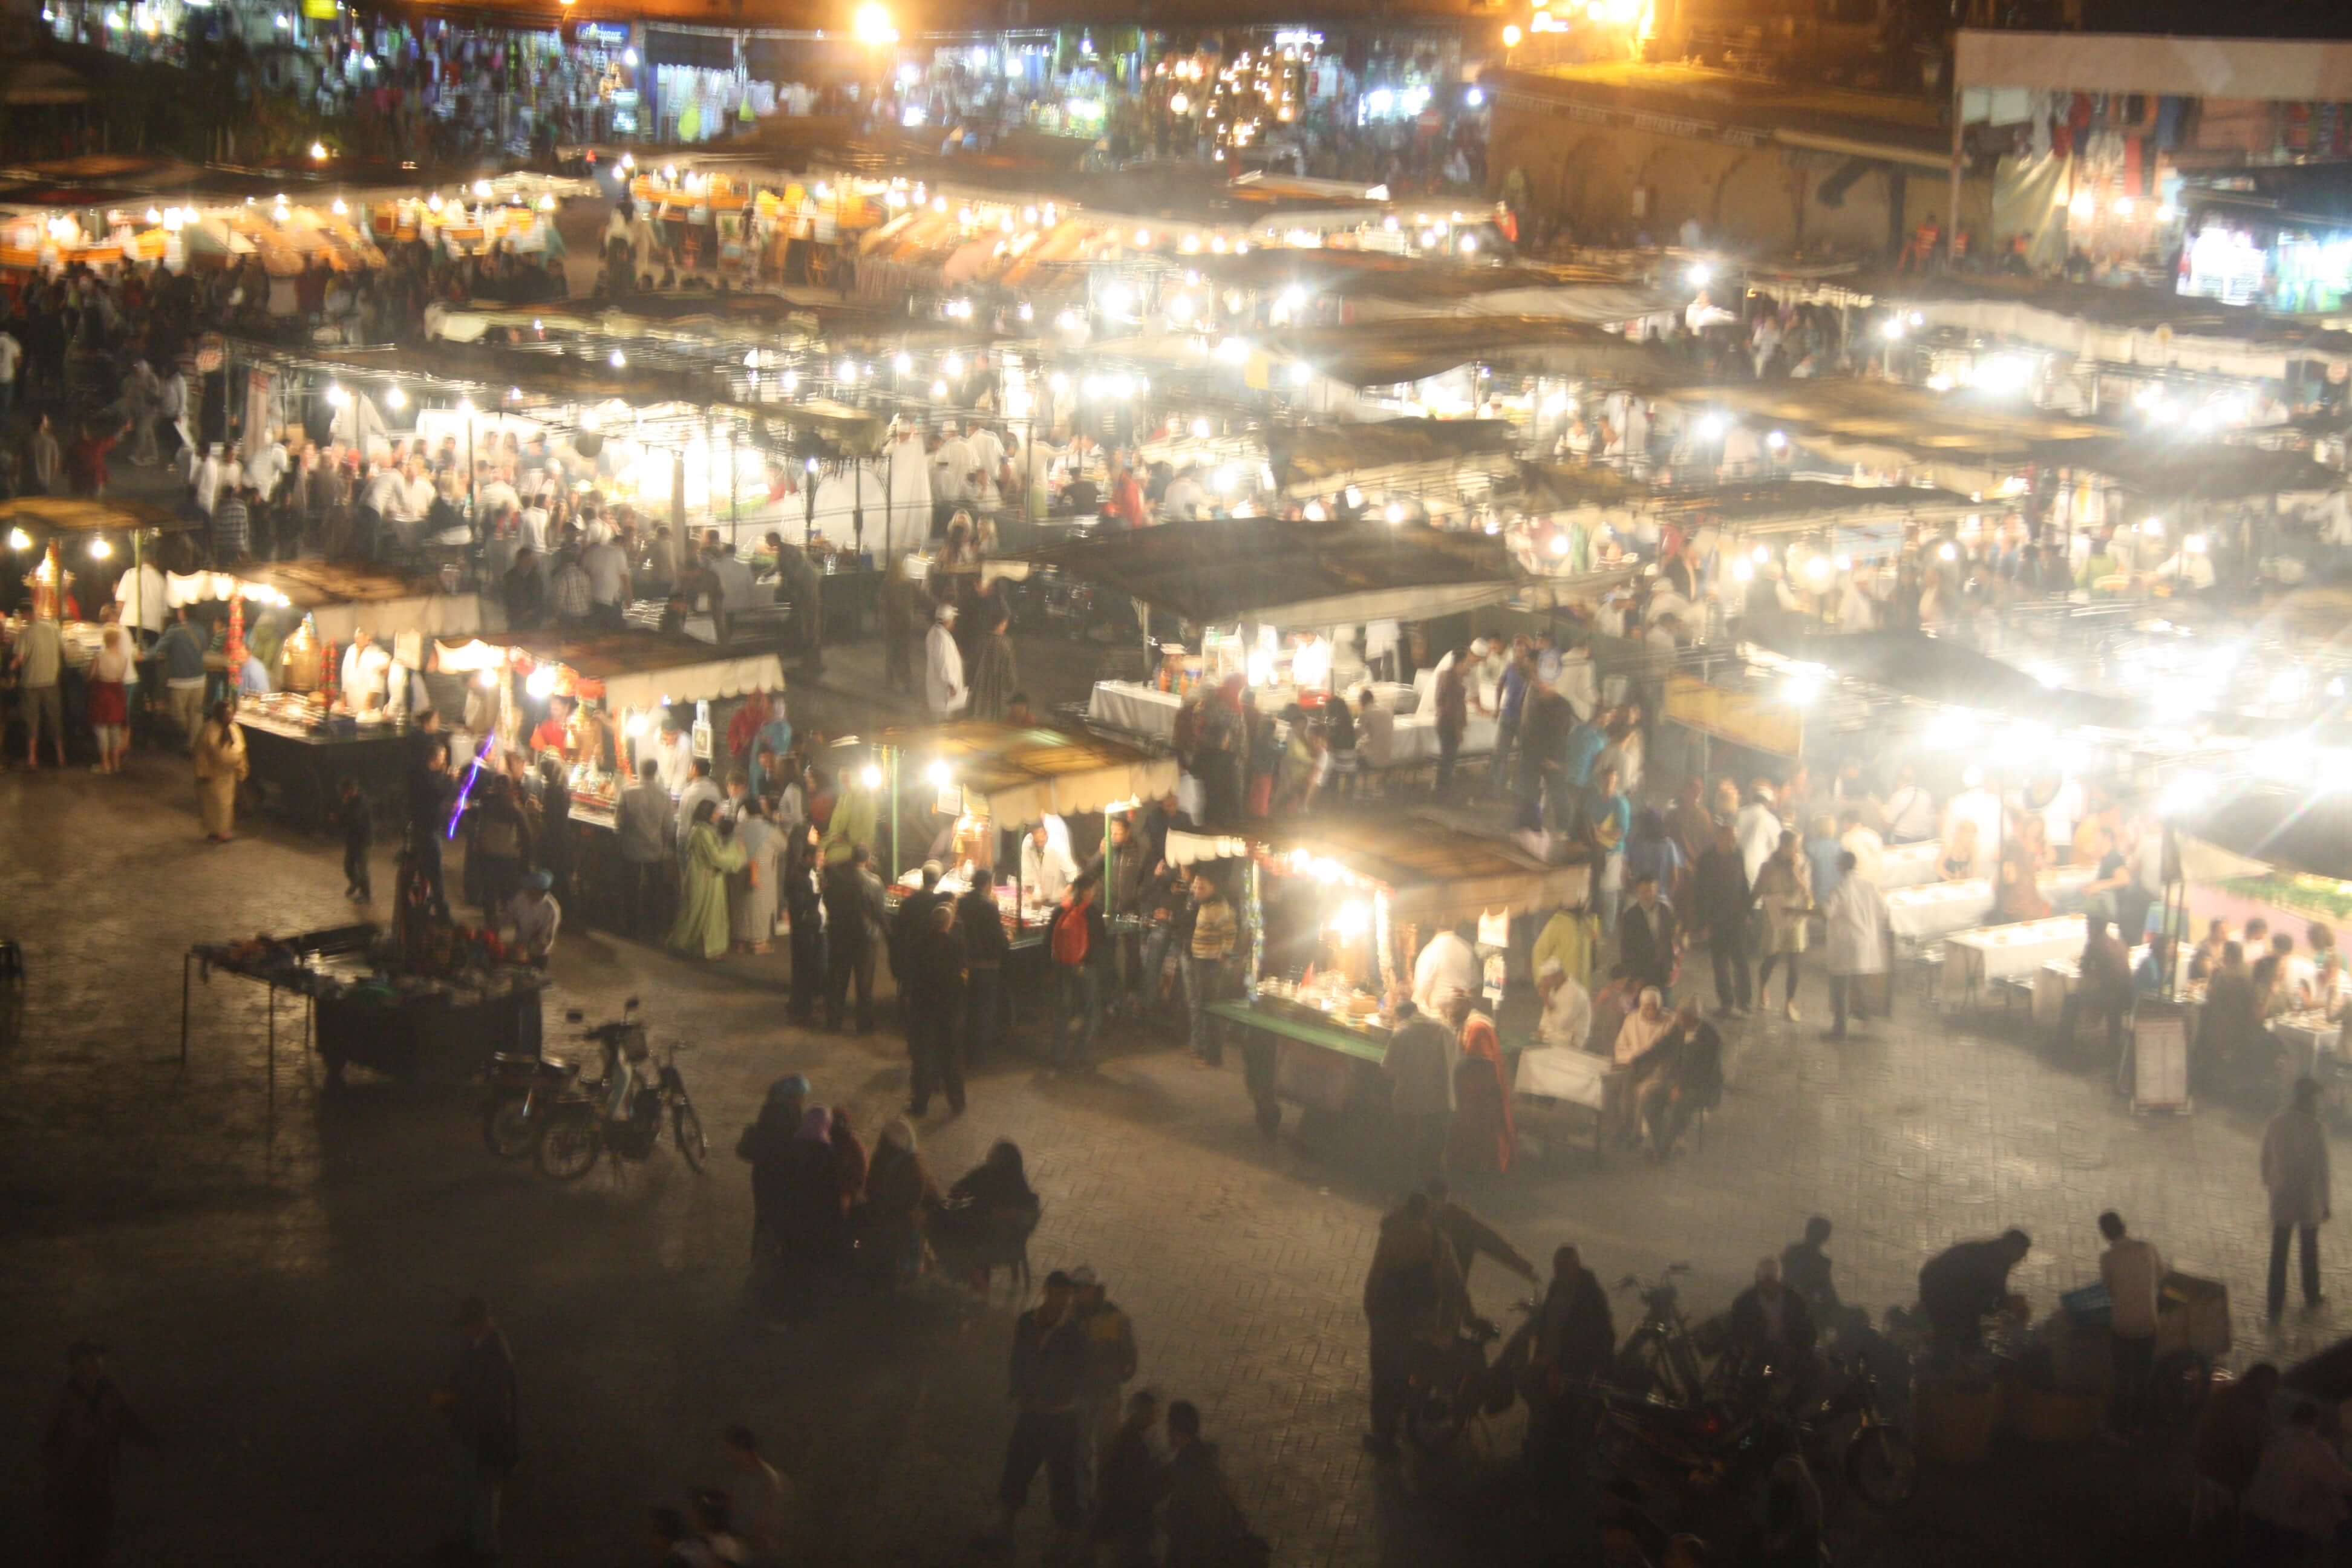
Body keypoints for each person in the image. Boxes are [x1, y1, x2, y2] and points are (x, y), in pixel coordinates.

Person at [978, 1270, 1091, 1560]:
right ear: (1046, 1292)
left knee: (1063, 1478)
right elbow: (1017, 1360)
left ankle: (1063, 1541)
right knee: (1017, 1468)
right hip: (1032, 1414)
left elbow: (1078, 1375)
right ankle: (1005, 1530)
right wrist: (1019, 1391)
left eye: (1065, 1296)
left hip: (1061, 1417)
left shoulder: (1074, 1333)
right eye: (1056, 1294)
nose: (1060, 1301)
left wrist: (1053, 1397)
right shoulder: (1027, 1322)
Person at [1361, 1190, 1472, 1459]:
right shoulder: (1438, 1241)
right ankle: (1402, 1427)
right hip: (1419, 1319)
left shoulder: (1391, 1236)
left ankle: (1383, 1435)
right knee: (1404, 1375)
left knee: (1382, 1375)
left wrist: (1371, 1309)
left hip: (1387, 1316)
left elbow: (1375, 1277)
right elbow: (1455, 1285)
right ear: (1427, 1212)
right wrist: (1464, 1317)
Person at [44, 1339, 159, 1568]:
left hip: (103, 1475)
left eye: (98, 1358)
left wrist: (153, 1442)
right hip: (74, 1479)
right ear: (76, 1364)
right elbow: (52, 1438)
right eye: (89, 1359)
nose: (96, 1363)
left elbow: (128, 1421)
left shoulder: (110, 1395)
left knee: (100, 1532)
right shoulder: (66, 1399)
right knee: (75, 1533)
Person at [434, 1297, 518, 1563]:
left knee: (482, 1494)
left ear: (482, 1322)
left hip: (484, 1437)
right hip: (470, 1432)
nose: (464, 1330)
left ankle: (483, 1548)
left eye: (467, 1324)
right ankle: (470, 1540)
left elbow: (491, 1404)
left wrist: (452, 1401)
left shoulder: (495, 1355)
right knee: (469, 1489)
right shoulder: (479, 1345)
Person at [1526, 1245, 1614, 1483]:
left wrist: (1593, 1369)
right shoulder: (1557, 1287)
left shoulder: (1590, 1295)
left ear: (1576, 1267)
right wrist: (1541, 1355)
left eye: (1564, 1268)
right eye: (1557, 1268)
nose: (1559, 1273)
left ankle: (1557, 1474)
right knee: (1541, 1408)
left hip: (1573, 1370)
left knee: (1562, 1421)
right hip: (1550, 1365)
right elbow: (1546, 1324)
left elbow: (1603, 1334)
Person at [2241, 1400, 2352, 1561]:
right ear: (2316, 1421)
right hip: (2286, 1527)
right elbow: (2341, 1481)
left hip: (2255, 1515)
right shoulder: (2313, 1447)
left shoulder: (2274, 1438)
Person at [2262, 1076, 2331, 1323]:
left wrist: (2270, 1183)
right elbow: (2323, 1170)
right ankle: (2312, 1295)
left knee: (2279, 1250)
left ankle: (2275, 1302)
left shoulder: (2276, 1122)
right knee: (2309, 1248)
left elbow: (2265, 1157)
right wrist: (2326, 1203)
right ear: (2309, 1099)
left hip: (2282, 1195)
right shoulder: (2316, 1127)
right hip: (2308, 1197)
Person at [1161, 1400, 1256, 1568]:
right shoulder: (1208, 1454)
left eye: (1169, 1426)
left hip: (1194, 1550)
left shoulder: (1184, 1466)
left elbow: (1184, 1511)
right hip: (1213, 1545)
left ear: (1176, 1432)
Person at [2095, 1210, 2164, 1437]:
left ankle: (2120, 1427)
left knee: (2122, 1378)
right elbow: (2160, 1275)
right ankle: (2139, 1425)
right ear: (2124, 1226)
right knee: (2143, 1376)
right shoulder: (2148, 1248)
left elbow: (2110, 1290)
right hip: (2149, 1323)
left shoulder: (2108, 1258)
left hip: (2123, 1326)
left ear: (2105, 1234)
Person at [1071, 1266, 1140, 1477]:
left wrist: (1118, 1375)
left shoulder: (1114, 1317)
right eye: (1075, 1289)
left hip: (1106, 1392)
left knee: (1107, 1444)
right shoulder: (1071, 1316)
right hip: (1082, 1391)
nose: (1077, 1294)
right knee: (1080, 1443)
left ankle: (1104, 1486)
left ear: (1093, 1289)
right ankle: (1084, 1486)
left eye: (1082, 1289)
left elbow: (1130, 1356)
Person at [1917, 1229, 2032, 1356]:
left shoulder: (1996, 1256)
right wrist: (2005, 1305)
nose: (2022, 1258)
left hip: (1946, 1292)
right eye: (2022, 1253)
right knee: (1953, 1335)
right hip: (1943, 1293)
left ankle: (1953, 1358)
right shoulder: (1991, 1259)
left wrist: (2003, 1304)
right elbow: (1986, 1293)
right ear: (2012, 1247)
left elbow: (1994, 1292)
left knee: (1960, 1335)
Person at [1088, 1390, 1166, 1568]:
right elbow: (1136, 1483)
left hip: (1122, 1506)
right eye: (1152, 1413)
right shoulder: (1132, 1443)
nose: (1156, 1418)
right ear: (1142, 1414)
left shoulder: (1132, 1435)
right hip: (1127, 1509)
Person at [904, 901, 969, 1116]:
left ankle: (920, 1103)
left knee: (923, 1058)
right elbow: (962, 977)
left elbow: (912, 975)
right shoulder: (957, 946)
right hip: (949, 1009)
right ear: (949, 924)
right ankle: (957, 1102)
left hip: (923, 1008)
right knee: (951, 1057)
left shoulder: (919, 945)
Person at [1383, 999, 1457, 1185]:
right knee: (1433, 1152)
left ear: (1399, 1015)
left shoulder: (1401, 1033)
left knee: (1406, 1148)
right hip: (1442, 1101)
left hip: (1410, 1101)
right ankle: (1431, 1190)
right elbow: (1456, 1061)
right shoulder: (1445, 1029)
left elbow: (1388, 1070)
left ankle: (1405, 1188)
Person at [1445, 989, 1516, 1174]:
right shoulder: (1465, 1023)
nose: (1450, 1011)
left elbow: (1478, 1064)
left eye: (1454, 1006)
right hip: (1471, 1085)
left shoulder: (1478, 1027)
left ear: (1466, 1005)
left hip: (1482, 1091)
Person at [1821, 849, 1888, 1041]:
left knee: (1840, 987)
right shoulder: (1869, 886)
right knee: (1860, 983)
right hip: (1866, 942)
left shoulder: (1840, 888)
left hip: (1846, 944)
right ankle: (1866, 1016)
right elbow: (1883, 910)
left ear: (1841, 866)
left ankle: (1840, 1029)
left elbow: (1827, 912)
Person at [670, 800, 749, 961]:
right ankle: (685, 945)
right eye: (716, 811)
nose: (719, 814)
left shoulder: (704, 830)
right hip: (704, 879)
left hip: (708, 879)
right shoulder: (702, 833)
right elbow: (716, 857)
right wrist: (735, 850)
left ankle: (701, 948)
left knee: (704, 914)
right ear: (708, 813)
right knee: (696, 914)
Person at [1691, 822, 1754, 1017]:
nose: (1733, 843)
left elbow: (1743, 885)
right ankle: (1726, 1001)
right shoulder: (1706, 860)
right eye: (1730, 839)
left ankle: (1745, 1001)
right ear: (1720, 838)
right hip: (1715, 919)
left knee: (1741, 960)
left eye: (1735, 839)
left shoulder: (1738, 855)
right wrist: (1703, 924)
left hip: (1736, 917)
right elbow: (1700, 894)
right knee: (1720, 962)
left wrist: (1747, 911)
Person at [2192, 1361, 2278, 1506]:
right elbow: (2248, 1443)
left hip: (2205, 1464)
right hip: (2226, 1473)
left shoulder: (2227, 1394)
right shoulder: (2252, 1406)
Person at [822, 846, 887, 1033]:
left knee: (838, 980)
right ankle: (864, 1025)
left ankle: (834, 1022)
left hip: (840, 934)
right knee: (864, 983)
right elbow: (879, 912)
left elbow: (827, 900)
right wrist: (888, 932)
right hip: (866, 937)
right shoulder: (875, 882)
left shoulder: (837, 879)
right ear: (867, 860)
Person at [1047, 872, 1108, 1070]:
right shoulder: (1093, 913)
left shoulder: (1060, 910)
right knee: (1090, 1011)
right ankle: (1082, 1055)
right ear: (1087, 891)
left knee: (1062, 1011)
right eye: (1093, 889)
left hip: (1061, 966)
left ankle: (1059, 1055)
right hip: (1086, 968)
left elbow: (1048, 941)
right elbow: (1100, 942)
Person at [1753, 832, 1811, 1022]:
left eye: (1797, 847)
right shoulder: (1769, 865)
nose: (1796, 851)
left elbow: (1808, 891)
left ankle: (1789, 1003)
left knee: (1794, 960)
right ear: (1783, 846)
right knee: (1772, 957)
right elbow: (1759, 889)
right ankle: (1763, 986)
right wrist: (1748, 908)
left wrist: (1796, 872)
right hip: (1775, 915)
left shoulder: (1802, 864)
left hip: (1795, 914)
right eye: (1793, 847)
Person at [1186, 872, 1238, 1068]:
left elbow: (1230, 933)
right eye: (1195, 886)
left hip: (1210, 963)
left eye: (1202, 887)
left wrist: (1224, 955)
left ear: (1213, 888)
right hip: (1200, 960)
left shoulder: (1219, 908)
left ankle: (1212, 1057)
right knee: (1202, 1005)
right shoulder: (1205, 905)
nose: (1196, 890)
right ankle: (1203, 1051)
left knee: (1210, 1008)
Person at [958, 872, 1009, 1065]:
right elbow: (997, 936)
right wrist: (1006, 940)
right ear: (988, 884)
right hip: (986, 963)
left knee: (970, 1005)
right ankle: (979, 1054)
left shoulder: (962, 902)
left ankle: (967, 1047)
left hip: (967, 960)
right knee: (984, 1008)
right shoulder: (989, 906)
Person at [13, 607, 67, 770]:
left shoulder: (25, 632)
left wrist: (10, 667)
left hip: (31, 682)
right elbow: (64, 650)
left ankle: (32, 758)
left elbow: (20, 659)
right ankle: (61, 756)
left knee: (32, 720)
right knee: (54, 718)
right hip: (51, 680)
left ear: (26, 614)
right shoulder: (54, 628)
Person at [192, 699, 247, 842]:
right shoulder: (209, 730)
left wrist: (241, 770)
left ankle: (222, 830)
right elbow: (201, 754)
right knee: (215, 803)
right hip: (213, 774)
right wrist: (203, 773)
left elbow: (241, 750)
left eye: (231, 713)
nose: (230, 716)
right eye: (227, 713)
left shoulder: (234, 729)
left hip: (229, 775)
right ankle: (216, 831)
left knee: (226, 804)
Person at [1618, 874, 1680, 996]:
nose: (1648, 895)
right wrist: (1635, 977)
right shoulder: (1630, 917)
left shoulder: (1665, 910)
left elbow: (1671, 938)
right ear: (1637, 893)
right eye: (1644, 891)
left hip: (1664, 972)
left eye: (1651, 890)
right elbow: (1626, 949)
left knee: (1665, 1004)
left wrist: (1672, 964)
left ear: (1656, 890)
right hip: (1642, 975)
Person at [1412, 920, 1480, 1015]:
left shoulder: (1430, 951)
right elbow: (1475, 984)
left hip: (1438, 1014)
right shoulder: (1467, 948)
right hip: (1463, 1013)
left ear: (1435, 928)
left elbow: (1422, 987)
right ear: (1454, 926)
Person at [1780, 1217, 1840, 1314]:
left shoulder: (1791, 1250)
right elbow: (1826, 1292)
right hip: (1804, 1308)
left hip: (1783, 1300)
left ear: (1807, 1231)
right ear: (1825, 1238)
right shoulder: (1822, 1263)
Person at [504, 869, 561, 967]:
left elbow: (546, 939)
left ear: (540, 891)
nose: (527, 891)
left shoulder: (551, 910)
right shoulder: (521, 897)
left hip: (537, 954)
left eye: (531, 889)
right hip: (518, 947)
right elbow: (509, 914)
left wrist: (527, 949)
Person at [924, 603, 968, 719]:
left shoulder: (934, 632)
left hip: (938, 686)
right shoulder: (942, 639)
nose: (954, 622)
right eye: (953, 619)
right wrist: (951, 685)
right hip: (944, 690)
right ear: (947, 620)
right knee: (944, 721)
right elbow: (944, 663)